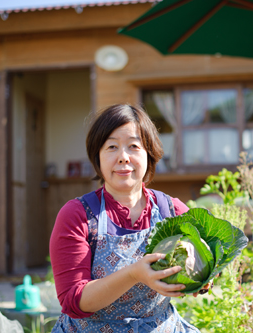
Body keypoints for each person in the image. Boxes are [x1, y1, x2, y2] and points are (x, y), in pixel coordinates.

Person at [50, 104, 206, 333]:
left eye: (133, 146)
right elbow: (75, 300)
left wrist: (203, 276)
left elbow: (208, 253)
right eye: (112, 147)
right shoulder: (77, 215)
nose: (123, 157)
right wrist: (134, 274)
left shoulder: (170, 210)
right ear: (98, 157)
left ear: (149, 153)